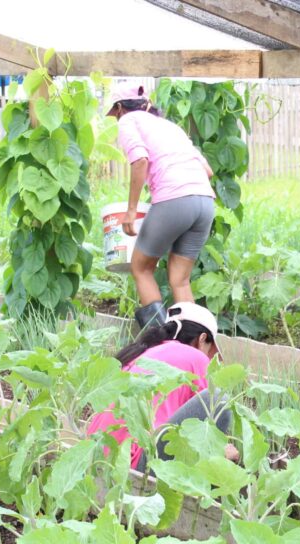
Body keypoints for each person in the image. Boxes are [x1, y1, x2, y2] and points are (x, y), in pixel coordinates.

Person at [107, 82, 216, 329]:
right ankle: (192, 347)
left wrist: (131, 211)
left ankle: (160, 346)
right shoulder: (170, 127)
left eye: (115, 114)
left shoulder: (128, 121)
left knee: (141, 267)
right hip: (204, 203)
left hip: (174, 201)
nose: (116, 119)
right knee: (180, 280)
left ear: (120, 108)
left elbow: (140, 161)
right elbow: (207, 171)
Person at [86, 302, 237, 471]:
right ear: (202, 339)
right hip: (133, 465)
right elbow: (207, 426)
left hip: (96, 459)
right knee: (218, 399)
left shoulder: (142, 352)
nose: (209, 358)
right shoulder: (195, 357)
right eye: (209, 349)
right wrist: (220, 451)